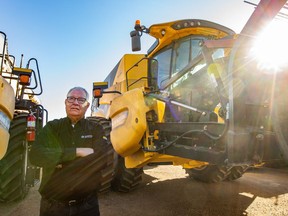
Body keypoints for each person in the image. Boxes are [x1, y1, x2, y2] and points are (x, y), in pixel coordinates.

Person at [30, 86, 109, 216]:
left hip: (87, 206)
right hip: (53, 207)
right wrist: (76, 152)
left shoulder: (96, 128)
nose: (75, 102)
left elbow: (102, 160)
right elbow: (36, 155)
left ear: (87, 105)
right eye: (71, 98)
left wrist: (58, 162)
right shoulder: (52, 127)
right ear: (65, 102)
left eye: (80, 99)